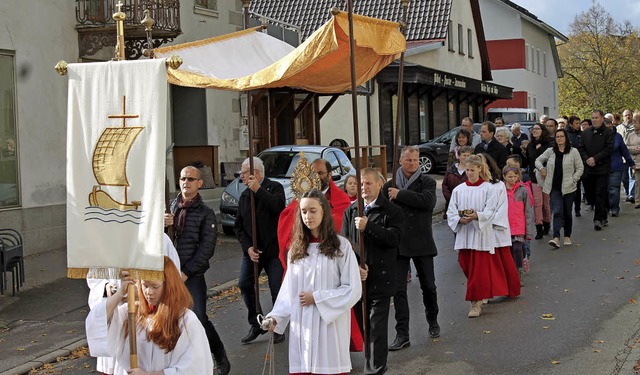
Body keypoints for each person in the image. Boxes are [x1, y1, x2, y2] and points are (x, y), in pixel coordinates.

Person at [265, 189, 362, 375]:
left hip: (329, 326)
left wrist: (317, 298)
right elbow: (289, 290)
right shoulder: (296, 248)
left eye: (313, 210)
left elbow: (353, 289)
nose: (307, 216)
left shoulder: (341, 246)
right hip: (303, 326)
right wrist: (275, 317)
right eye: (303, 211)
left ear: (323, 211)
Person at [85, 256, 214, 375]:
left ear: (169, 286)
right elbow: (99, 320)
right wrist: (120, 293)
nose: (149, 292)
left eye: (155, 286)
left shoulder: (185, 320)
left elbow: (193, 368)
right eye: (145, 286)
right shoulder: (131, 313)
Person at [164, 166, 230, 374]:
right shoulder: (170, 208)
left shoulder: (206, 214)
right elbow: (159, 241)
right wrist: (162, 224)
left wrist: (186, 272)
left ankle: (218, 354)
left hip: (191, 275)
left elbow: (206, 249)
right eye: (183, 178)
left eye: (191, 179)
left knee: (198, 317)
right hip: (168, 273)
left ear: (200, 183)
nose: (186, 182)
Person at [342, 168, 404, 375]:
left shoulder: (391, 211)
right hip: (358, 278)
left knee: (377, 328)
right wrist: (356, 266)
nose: (364, 188)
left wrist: (369, 226)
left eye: (368, 183)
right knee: (365, 328)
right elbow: (345, 244)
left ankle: (375, 369)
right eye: (361, 184)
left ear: (379, 184)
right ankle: (372, 363)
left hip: (381, 278)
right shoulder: (351, 211)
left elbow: (394, 239)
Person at [382, 146, 440, 352]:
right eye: (409, 160)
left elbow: (426, 202)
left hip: (422, 242)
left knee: (429, 286)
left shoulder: (428, 182)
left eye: (415, 160)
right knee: (398, 290)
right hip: (398, 244)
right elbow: (383, 212)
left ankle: (432, 319)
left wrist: (400, 195)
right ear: (400, 161)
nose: (413, 164)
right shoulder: (389, 185)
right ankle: (402, 333)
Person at [446, 155, 512, 318]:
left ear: (480, 170)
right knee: (465, 265)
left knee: (478, 271)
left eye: (472, 170)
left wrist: (477, 216)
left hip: (481, 235)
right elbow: (451, 211)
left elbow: (490, 211)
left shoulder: (489, 189)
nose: (469, 173)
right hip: (464, 234)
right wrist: (459, 219)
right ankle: (480, 292)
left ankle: (475, 303)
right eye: (467, 170)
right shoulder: (459, 190)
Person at [235, 156, 286, 344]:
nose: (240, 176)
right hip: (253, 252)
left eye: (243, 172)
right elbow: (238, 226)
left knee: (276, 288)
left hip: (273, 251)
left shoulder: (275, 187)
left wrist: (259, 190)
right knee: (245, 284)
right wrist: (248, 247)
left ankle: (278, 325)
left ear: (255, 173)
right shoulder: (244, 195)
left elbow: (279, 208)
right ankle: (257, 323)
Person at [278, 158, 352, 272]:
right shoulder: (301, 198)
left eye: (320, 173)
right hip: (305, 254)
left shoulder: (342, 199)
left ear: (330, 174)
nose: (316, 177)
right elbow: (287, 221)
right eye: (313, 173)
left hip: (331, 257)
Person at [535, 128, 584, 248]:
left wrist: (573, 179)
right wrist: (541, 169)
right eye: (557, 137)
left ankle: (567, 235)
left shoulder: (573, 152)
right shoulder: (550, 151)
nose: (559, 139)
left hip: (569, 187)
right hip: (554, 187)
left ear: (566, 138)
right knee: (557, 211)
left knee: (567, 212)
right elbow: (538, 160)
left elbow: (580, 168)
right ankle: (556, 237)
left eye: (562, 136)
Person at [578, 110, 614, 231]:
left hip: (602, 168)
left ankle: (597, 219)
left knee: (600, 193)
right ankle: (603, 214)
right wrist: (587, 159)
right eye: (592, 118)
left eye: (597, 117)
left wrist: (596, 159)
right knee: (590, 194)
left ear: (602, 119)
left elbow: (608, 149)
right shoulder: (586, 133)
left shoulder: (608, 132)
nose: (594, 120)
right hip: (588, 168)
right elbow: (581, 148)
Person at [503, 165, 534, 282]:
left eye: (515, 176)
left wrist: (528, 231)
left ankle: (518, 270)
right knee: (509, 250)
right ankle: (511, 271)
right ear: (504, 177)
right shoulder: (501, 190)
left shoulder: (523, 190)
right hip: (505, 226)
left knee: (517, 248)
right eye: (510, 176)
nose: (512, 179)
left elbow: (528, 211)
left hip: (519, 226)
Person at [525, 124, 552, 239]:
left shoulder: (549, 144)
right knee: (537, 203)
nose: (534, 131)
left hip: (546, 176)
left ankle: (547, 223)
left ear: (543, 131)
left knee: (546, 203)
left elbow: (547, 159)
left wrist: (540, 149)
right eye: (533, 129)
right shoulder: (530, 145)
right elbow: (530, 159)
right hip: (534, 177)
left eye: (537, 129)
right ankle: (538, 226)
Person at [604, 119, 634, 217]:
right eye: (607, 128)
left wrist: (630, 162)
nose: (609, 129)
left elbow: (624, 150)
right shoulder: (600, 137)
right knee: (605, 189)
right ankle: (606, 207)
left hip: (616, 166)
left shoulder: (618, 137)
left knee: (614, 188)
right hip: (602, 167)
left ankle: (614, 208)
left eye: (610, 127)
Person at [442, 146, 473, 219]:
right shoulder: (450, 170)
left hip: (468, 205)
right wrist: (451, 200)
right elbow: (445, 186)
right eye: (464, 155)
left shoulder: (472, 171)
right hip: (452, 204)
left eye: (468, 155)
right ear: (458, 156)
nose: (466, 157)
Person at [619, 109, 636, 202]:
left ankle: (631, 194)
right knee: (624, 178)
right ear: (623, 117)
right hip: (622, 157)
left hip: (632, 155)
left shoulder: (636, 127)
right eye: (626, 115)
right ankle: (627, 191)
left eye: (629, 115)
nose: (628, 117)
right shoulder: (619, 128)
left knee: (632, 176)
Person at [626, 114, 640, 208]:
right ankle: (638, 201)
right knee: (638, 182)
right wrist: (635, 149)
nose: (634, 124)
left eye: (635, 122)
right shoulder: (630, 135)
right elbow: (626, 147)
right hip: (636, 162)